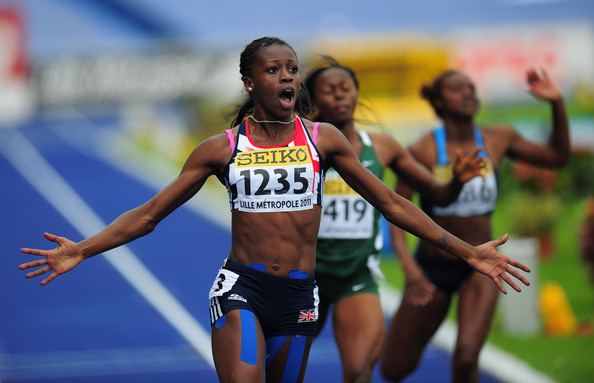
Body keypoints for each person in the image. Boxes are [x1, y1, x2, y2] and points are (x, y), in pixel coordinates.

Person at [19, 37, 530, 383]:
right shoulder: (222, 149)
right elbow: (151, 213)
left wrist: (469, 254)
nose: (287, 78)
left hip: (298, 296)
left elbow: (392, 203)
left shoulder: (324, 140)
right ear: (250, 82)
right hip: (244, 288)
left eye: (292, 70)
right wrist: (82, 250)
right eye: (274, 70)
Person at [381, 68, 569, 383]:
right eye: (458, 88)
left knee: (467, 356)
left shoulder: (498, 138)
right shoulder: (422, 150)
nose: (470, 93)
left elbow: (557, 157)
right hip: (433, 268)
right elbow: (398, 211)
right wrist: (409, 268)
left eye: (472, 88)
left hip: (481, 264)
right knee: (395, 367)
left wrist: (556, 103)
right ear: (439, 101)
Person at [303, 57, 485, 383]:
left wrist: (457, 181)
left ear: (357, 95)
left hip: (355, 278)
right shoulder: (299, 148)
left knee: (360, 372)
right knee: (283, 370)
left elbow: (437, 195)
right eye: (330, 91)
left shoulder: (382, 147)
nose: (341, 96)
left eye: (347, 89)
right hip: (305, 278)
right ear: (314, 101)